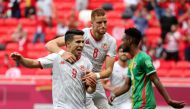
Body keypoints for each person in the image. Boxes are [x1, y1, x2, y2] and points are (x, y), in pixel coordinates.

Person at [45, 8, 117, 109]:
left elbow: (109, 70)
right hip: (79, 77)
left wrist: (95, 75)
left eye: (105, 22)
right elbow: (50, 44)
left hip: (95, 78)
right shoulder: (82, 35)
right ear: (91, 23)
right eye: (99, 22)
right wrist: (63, 53)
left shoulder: (111, 41)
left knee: (105, 107)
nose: (103, 25)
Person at [11, 29, 97, 109]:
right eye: (78, 42)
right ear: (68, 44)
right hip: (61, 106)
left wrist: (92, 86)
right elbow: (34, 63)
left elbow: (88, 90)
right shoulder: (57, 57)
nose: (81, 45)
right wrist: (21, 59)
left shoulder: (87, 63)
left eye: (82, 42)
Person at [108, 28, 185, 109]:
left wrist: (169, 100)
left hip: (145, 104)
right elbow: (127, 85)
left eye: (123, 40)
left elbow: (156, 80)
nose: (121, 43)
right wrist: (114, 94)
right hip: (136, 104)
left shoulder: (144, 58)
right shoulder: (131, 61)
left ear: (130, 40)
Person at [101, 45, 132, 109]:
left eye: (125, 52)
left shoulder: (132, 67)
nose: (123, 53)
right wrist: (111, 88)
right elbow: (101, 83)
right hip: (114, 101)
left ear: (129, 54)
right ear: (117, 54)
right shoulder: (112, 67)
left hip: (128, 102)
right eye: (121, 51)